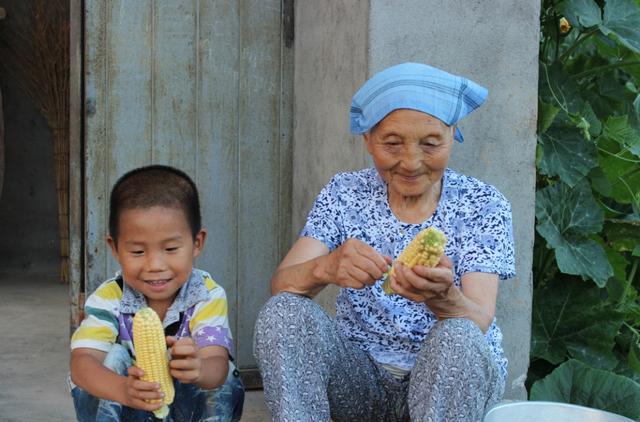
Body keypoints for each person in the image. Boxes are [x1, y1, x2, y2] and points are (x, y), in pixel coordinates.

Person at [253, 62, 515, 422]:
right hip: (360, 381)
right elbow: (282, 285)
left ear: (452, 135)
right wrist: (324, 267)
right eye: (392, 143)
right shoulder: (344, 193)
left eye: (430, 143)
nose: (411, 162)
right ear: (368, 140)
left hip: (446, 385)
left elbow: (479, 319)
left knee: (461, 336)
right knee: (283, 312)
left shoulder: (483, 204)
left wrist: (445, 297)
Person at [69, 165, 244, 421]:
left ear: (197, 243)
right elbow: (81, 364)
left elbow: (216, 364)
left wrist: (199, 369)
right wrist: (123, 390)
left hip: (185, 407)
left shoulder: (206, 294)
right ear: (115, 248)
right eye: (138, 252)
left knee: (225, 374)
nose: (155, 266)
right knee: (113, 357)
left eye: (171, 249)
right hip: (126, 407)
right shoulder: (108, 299)